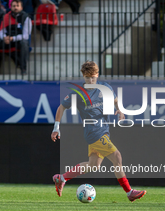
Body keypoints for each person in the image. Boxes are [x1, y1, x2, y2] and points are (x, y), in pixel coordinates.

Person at [51, 61, 146, 202]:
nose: (90, 81)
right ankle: (129, 192)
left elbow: (115, 100)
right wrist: (56, 128)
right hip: (94, 132)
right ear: (83, 76)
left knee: (94, 165)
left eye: (93, 77)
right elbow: (61, 108)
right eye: (87, 78)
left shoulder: (104, 88)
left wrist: (119, 109)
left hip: (103, 131)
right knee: (117, 157)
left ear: (97, 75)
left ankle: (62, 178)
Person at [0, 0, 32, 75]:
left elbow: (26, 36)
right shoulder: (6, 16)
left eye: (17, 6)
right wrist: (4, 38)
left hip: (18, 41)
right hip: (7, 40)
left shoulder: (26, 18)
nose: (15, 8)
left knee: (24, 43)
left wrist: (12, 38)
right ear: (11, 7)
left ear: (21, 7)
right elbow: (0, 32)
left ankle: (23, 69)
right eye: (14, 6)